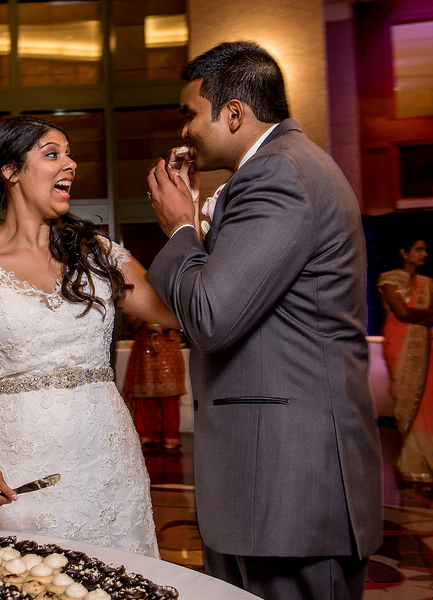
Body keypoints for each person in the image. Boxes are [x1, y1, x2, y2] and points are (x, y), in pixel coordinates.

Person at [145, 41, 382, 599]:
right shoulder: (284, 167)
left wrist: (180, 230)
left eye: (189, 113)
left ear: (233, 113)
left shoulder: (278, 174)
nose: (184, 131)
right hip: (271, 479)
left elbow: (211, 315)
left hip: (288, 482)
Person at [0, 116, 179, 555]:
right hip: (14, 461)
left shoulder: (98, 255)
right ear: (9, 171)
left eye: (69, 153)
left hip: (107, 456)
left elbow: (177, 312)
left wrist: (185, 227)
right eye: (52, 153)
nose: (71, 164)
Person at [378, 237, 433, 482]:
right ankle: (412, 464)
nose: (425, 254)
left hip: (426, 351)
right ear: (404, 252)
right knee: (406, 401)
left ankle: (424, 462)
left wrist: (415, 316)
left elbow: (412, 314)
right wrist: (421, 315)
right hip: (398, 348)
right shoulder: (388, 279)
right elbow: (401, 312)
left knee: (427, 404)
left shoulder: (427, 283)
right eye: (419, 249)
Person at [122, 319, 185, 449]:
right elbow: (132, 323)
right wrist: (145, 320)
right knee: (145, 390)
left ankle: (171, 435)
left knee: (170, 392)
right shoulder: (136, 298)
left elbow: (178, 319)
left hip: (168, 345)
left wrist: (161, 326)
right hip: (144, 346)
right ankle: (147, 434)